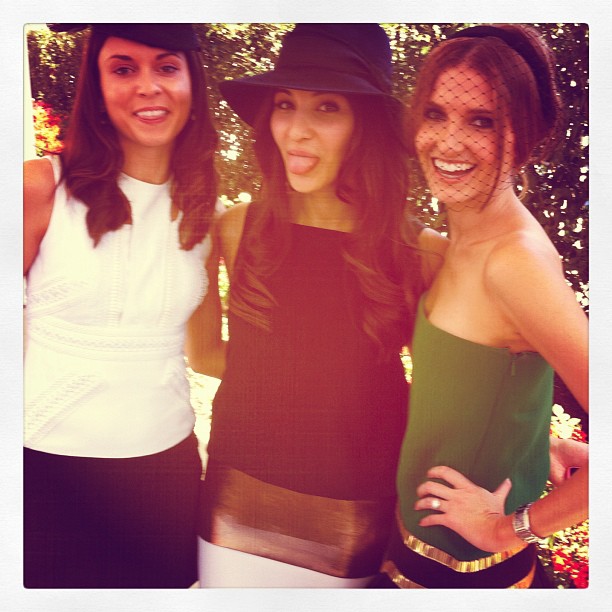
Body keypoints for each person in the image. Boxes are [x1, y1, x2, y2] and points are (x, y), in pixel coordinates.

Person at [195, 23, 446, 587]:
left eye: (327, 108)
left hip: (354, 519)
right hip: (236, 504)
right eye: (286, 104)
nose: (296, 130)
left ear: (366, 125)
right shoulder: (234, 229)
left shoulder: (422, 253)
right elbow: (205, 354)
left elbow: (443, 393)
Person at [379, 24, 589, 589]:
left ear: (525, 137)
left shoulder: (512, 262)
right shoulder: (466, 240)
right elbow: (490, 376)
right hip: (412, 551)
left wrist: (507, 529)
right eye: (435, 114)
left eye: (482, 122)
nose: (449, 142)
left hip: (467, 577)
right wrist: (530, 441)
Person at [23, 23, 220, 588]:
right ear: (97, 86)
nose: (147, 86)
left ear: (191, 81)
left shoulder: (203, 208)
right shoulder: (39, 188)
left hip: (163, 475)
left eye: (166, 67)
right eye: (123, 68)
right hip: (45, 472)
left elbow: (206, 353)